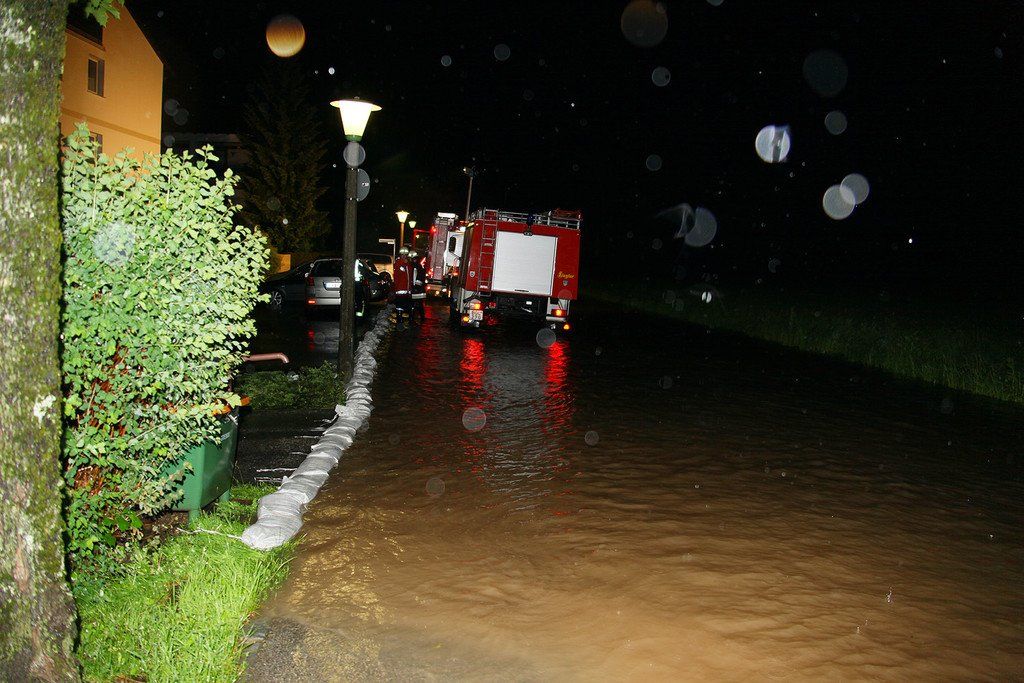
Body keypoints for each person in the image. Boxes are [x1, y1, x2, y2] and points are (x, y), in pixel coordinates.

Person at [391, 247, 413, 321]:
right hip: (400, 289)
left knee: (406, 306)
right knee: (400, 306)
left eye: (405, 255)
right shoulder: (398, 263)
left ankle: (407, 319)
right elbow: (397, 276)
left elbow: (410, 276)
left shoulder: (408, 264)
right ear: (400, 255)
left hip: (407, 290)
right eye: (402, 255)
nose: (404, 256)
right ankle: (399, 320)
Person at [409, 249, 427, 323]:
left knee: (415, 305)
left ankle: (413, 319)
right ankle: (420, 318)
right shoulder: (418, 266)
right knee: (419, 305)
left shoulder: (416, 267)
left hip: (417, 290)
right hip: (418, 290)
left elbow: (418, 279)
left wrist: (415, 287)